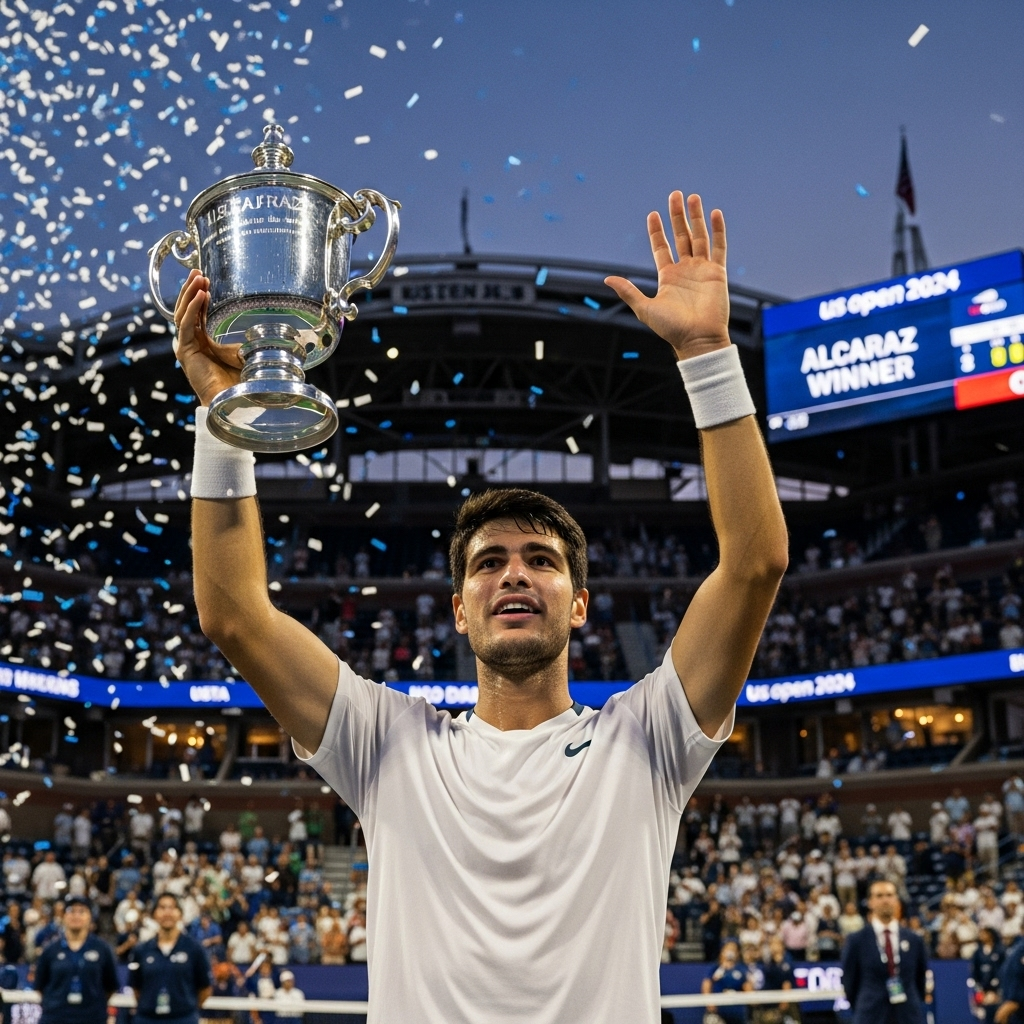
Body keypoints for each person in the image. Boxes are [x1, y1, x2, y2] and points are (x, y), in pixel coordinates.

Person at [176, 188, 787, 1024]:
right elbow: (234, 615)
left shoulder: (647, 739)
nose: (514, 575)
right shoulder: (388, 745)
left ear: (579, 606)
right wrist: (224, 416)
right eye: (489, 562)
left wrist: (710, 353)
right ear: (458, 610)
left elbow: (755, 564)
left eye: (541, 560)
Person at [841, 880, 928, 1024]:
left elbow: (920, 979)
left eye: (889, 895)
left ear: (896, 900)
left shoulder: (914, 940)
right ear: (870, 902)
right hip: (870, 1015)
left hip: (908, 1015)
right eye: (879, 896)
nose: (885, 900)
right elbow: (849, 981)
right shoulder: (856, 940)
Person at [127, 893, 211, 1024]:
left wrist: (186, 1010)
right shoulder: (141, 950)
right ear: (154, 914)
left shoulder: (195, 949)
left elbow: (205, 989)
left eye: (172, 908)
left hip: (183, 1019)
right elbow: (136, 988)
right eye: (162, 907)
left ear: (180, 914)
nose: (167, 912)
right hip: (147, 1019)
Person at [33, 896, 117, 1024]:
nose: (76, 915)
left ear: (90, 917)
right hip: (56, 1018)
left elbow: (110, 987)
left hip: (92, 1018)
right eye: (71, 910)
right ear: (64, 916)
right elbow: (40, 986)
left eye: (82, 911)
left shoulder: (102, 949)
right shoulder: (50, 950)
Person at [702, 943, 751, 1024]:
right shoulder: (715, 969)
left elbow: (748, 988)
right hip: (718, 1011)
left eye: (733, 949)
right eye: (728, 949)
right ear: (722, 952)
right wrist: (709, 1002)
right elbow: (706, 984)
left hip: (737, 1011)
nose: (730, 952)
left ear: (737, 953)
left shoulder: (741, 970)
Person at [972, 927, 1004, 1024]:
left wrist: (998, 986)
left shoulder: (1000, 950)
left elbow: (1003, 968)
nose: (981, 936)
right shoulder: (978, 952)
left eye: (984, 933)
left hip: (997, 988)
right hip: (983, 988)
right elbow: (975, 969)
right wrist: (978, 985)